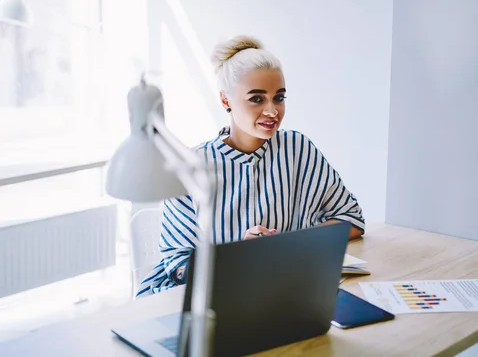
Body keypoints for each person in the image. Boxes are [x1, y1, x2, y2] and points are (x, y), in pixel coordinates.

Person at [136, 36, 365, 297]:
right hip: (207, 299)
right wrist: (242, 258)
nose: (272, 111)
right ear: (225, 101)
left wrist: (284, 246)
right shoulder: (190, 167)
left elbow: (352, 219)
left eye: (279, 98)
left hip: (282, 292)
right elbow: (179, 265)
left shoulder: (298, 148)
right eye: (257, 99)